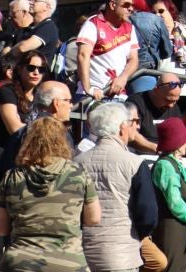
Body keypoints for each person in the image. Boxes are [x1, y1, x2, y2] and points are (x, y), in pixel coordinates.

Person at [0, 117, 99, 272]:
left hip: (20, 262)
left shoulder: (12, 177)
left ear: (28, 141)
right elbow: (94, 218)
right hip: (69, 262)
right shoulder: (78, 174)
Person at [74, 103, 142, 272]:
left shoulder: (77, 162)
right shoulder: (134, 162)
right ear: (121, 128)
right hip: (123, 254)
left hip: (85, 252)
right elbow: (147, 211)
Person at [148, 118, 186, 272]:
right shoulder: (165, 165)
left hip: (180, 227)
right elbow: (175, 203)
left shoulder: (174, 164)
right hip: (171, 229)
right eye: (185, 139)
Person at [75, 0, 141, 105]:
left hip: (119, 95)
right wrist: (88, 88)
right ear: (112, 4)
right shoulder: (93, 23)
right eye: (126, 5)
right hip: (93, 95)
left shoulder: (130, 28)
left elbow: (134, 59)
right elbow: (83, 55)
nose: (131, 9)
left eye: (132, 6)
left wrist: (123, 78)